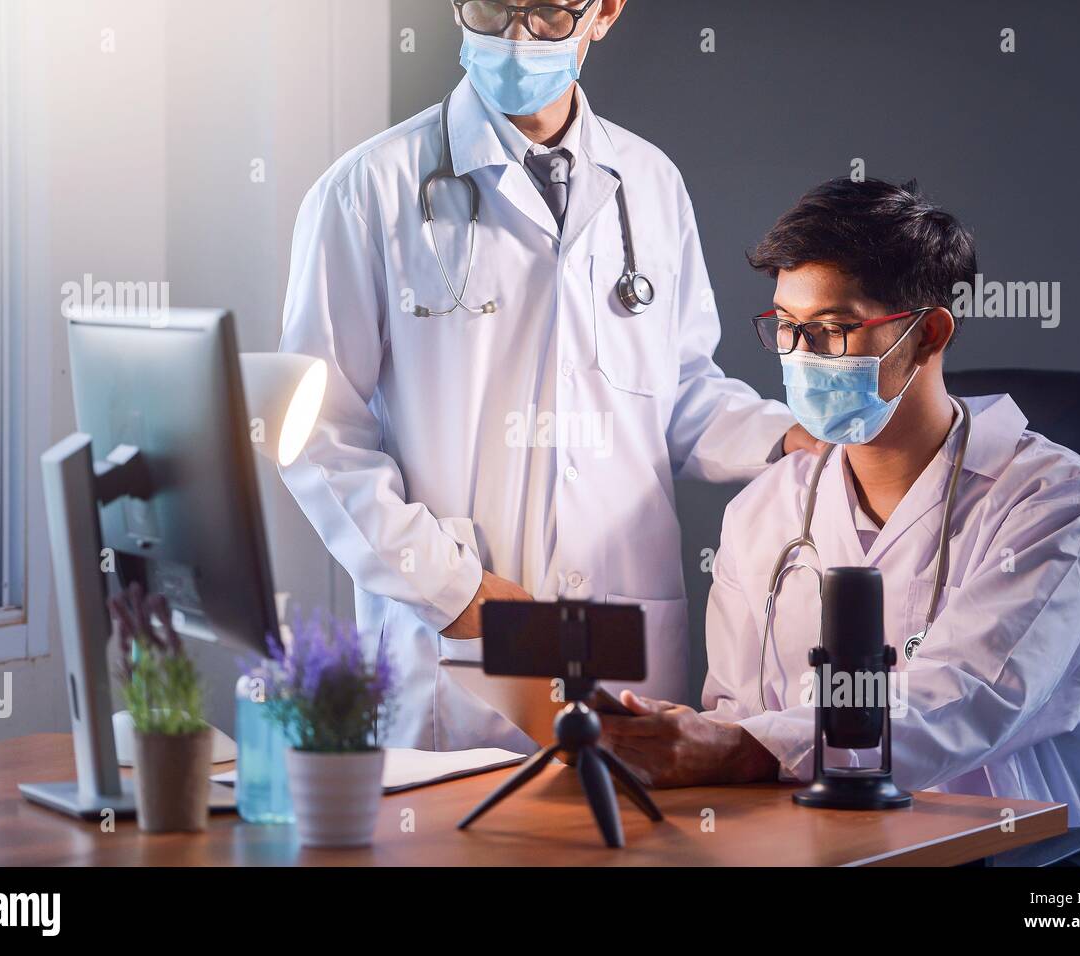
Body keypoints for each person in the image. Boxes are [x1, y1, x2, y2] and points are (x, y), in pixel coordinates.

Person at [278, 0, 813, 751]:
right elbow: (317, 435)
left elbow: (683, 392)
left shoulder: (650, 183)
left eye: (549, 14)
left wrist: (787, 437)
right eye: (492, 8)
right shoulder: (367, 191)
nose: (515, 38)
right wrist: (448, 587)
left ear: (605, 12)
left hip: (623, 642)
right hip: (457, 652)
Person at [603, 177, 1080, 825]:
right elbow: (736, 713)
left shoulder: (1055, 501)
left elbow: (962, 703)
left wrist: (742, 748)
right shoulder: (764, 509)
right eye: (786, 328)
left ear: (929, 334)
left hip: (979, 837)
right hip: (790, 831)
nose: (800, 356)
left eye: (832, 329)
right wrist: (676, 738)